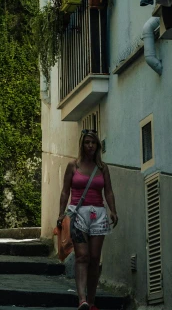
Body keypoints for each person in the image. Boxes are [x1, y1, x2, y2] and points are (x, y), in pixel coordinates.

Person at [56, 129, 118, 310]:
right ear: (82, 145)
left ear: (97, 145)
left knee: (94, 257)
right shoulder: (73, 166)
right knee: (82, 256)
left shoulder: (102, 168)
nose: (90, 145)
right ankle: (81, 299)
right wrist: (61, 213)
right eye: (87, 142)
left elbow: (108, 191)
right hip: (77, 213)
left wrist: (113, 210)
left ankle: (91, 301)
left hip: (98, 214)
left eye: (93, 142)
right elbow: (65, 191)